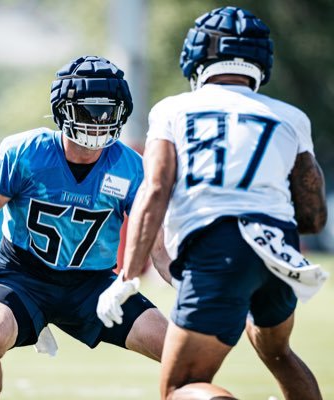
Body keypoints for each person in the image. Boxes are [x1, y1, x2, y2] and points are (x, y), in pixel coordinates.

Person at [96, 7, 328, 400]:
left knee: (180, 388)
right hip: (278, 249)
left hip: (218, 249)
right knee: (277, 352)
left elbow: (155, 191)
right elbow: (312, 216)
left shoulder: (172, 109)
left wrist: (128, 277)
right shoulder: (291, 117)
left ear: (196, 58)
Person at [0, 55, 168, 400]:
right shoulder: (25, 153)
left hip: (94, 284)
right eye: (88, 111)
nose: (99, 122)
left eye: (108, 112)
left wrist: (194, 292)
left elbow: (159, 247)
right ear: (63, 111)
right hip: (23, 277)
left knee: (182, 351)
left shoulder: (130, 166)